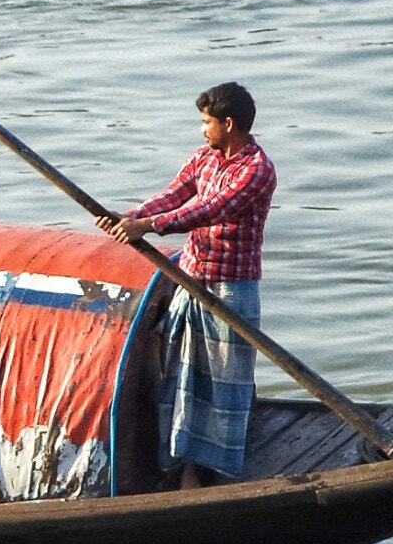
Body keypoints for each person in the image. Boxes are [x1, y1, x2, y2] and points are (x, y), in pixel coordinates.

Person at [96, 81, 276, 490]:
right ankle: (180, 465)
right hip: (191, 278)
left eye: (206, 122)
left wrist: (148, 226)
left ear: (229, 124)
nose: (202, 130)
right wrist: (130, 216)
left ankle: (204, 471)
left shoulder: (256, 170)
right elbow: (174, 196)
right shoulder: (204, 158)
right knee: (180, 374)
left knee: (223, 382)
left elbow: (210, 210)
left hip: (231, 289)